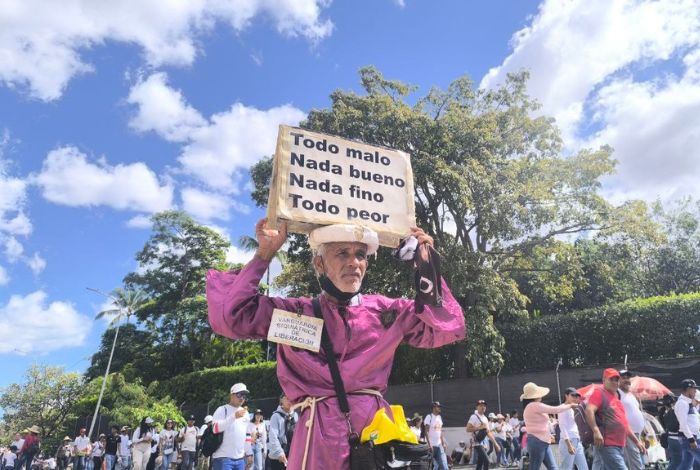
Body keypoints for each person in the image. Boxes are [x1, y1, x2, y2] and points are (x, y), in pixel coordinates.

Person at [206, 219, 466, 470]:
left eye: (361, 254)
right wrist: (263, 254)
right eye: (342, 253)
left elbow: (449, 327)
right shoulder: (295, 312)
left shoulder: (385, 311)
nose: (354, 263)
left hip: (374, 437)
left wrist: (426, 265)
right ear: (319, 263)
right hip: (317, 441)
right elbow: (231, 317)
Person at [585, 368, 646, 470]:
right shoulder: (599, 393)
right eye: (611, 379)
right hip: (607, 444)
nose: (614, 382)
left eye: (616, 380)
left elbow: (625, 423)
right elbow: (589, 410)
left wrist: (637, 442)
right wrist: (595, 431)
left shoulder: (616, 397)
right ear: (604, 380)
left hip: (619, 444)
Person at [521, 382, 575, 470]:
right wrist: (570, 405)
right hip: (538, 442)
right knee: (537, 468)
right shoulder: (534, 405)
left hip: (540, 441)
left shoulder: (530, 406)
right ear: (535, 396)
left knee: (551, 467)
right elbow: (555, 410)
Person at [211, 383, 252, 470]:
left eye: (244, 395)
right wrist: (233, 417)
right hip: (223, 458)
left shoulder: (246, 413)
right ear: (232, 395)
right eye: (239, 394)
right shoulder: (222, 409)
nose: (242, 398)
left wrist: (249, 453)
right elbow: (215, 429)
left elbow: (247, 435)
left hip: (240, 459)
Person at [618, 370, 645, 470]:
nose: (626, 380)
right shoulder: (617, 394)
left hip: (637, 433)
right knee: (635, 463)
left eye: (628, 378)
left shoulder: (631, 395)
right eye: (623, 378)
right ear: (618, 380)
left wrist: (643, 429)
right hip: (627, 433)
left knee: (636, 461)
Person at [557, 387, 588, 470]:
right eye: (573, 395)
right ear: (566, 395)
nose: (575, 398)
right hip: (568, 441)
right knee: (566, 468)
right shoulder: (563, 407)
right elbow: (562, 426)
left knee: (584, 467)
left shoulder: (574, 409)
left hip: (577, 440)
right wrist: (568, 444)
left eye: (576, 396)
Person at [466, 399, 500, 470]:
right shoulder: (474, 417)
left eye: (484, 406)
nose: (483, 407)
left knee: (479, 463)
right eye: (481, 406)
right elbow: (468, 429)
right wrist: (479, 427)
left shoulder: (485, 418)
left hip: (484, 443)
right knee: (487, 461)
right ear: (477, 407)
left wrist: (495, 444)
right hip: (477, 442)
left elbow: (488, 432)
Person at [267, 394, 297, 470]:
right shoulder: (276, 416)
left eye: (291, 398)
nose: (289, 400)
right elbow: (273, 437)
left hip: (293, 454)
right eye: (286, 398)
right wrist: (279, 452)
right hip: (278, 457)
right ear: (281, 401)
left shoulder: (296, 415)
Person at [675, 379, 700, 470]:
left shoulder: (687, 402)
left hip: (690, 437)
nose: (695, 391)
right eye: (694, 389)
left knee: (686, 465)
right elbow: (683, 424)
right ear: (688, 389)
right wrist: (691, 439)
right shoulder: (682, 403)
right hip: (689, 438)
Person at [424, 401, 449, 470]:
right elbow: (426, 431)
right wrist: (429, 445)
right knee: (429, 466)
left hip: (439, 445)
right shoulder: (429, 417)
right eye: (438, 407)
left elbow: (440, 431)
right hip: (431, 446)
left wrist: (443, 443)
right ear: (434, 408)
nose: (440, 408)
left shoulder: (439, 417)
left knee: (444, 466)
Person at [660, 393, 681, 470]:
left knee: (674, 461)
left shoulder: (662, 412)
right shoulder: (674, 411)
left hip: (670, 438)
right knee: (679, 461)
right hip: (677, 438)